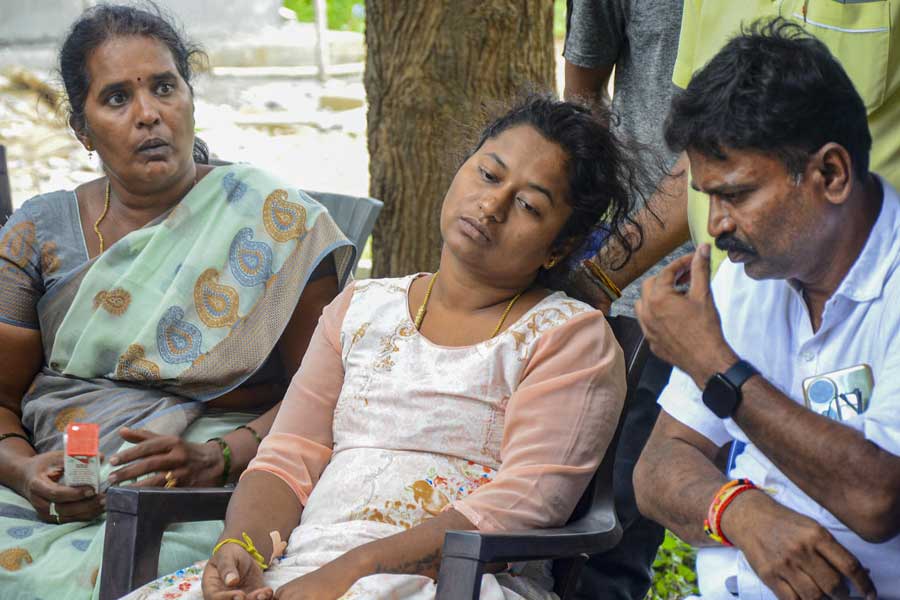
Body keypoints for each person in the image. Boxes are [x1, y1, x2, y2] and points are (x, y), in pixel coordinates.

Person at [125, 95, 646, 600]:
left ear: (561, 246)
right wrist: (240, 551)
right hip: (303, 568)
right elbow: (287, 458)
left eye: (529, 205)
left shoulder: (567, 338)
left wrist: (352, 572)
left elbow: (528, 499)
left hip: (456, 580)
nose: (491, 206)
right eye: (488, 174)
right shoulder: (361, 308)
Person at [0, 5, 354, 598]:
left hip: (211, 497)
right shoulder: (39, 233)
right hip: (46, 487)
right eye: (116, 98)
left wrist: (215, 456)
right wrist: (23, 469)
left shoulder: (277, 224)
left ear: (190, 98)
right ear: (82, 130)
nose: (148, 114)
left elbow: (322, 397)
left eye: (165, 87)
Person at [633, 19, 900, 599]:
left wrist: (716, 365)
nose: (717, 224)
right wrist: (743, 514)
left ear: (830, 174)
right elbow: (656, 469)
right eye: (709, 198)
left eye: (737, 194)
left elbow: (880, 500)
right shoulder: (748, 280)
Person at [580, 0, 900, 297]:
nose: (715, 224)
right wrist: (601, 276)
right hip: (731, 308)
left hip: (867, 311)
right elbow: (709, 159)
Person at [561, 1, 686, 597]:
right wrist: (593, 269)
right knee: (606, 534)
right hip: (642, 293)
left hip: (811, 296)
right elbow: (583, 93)